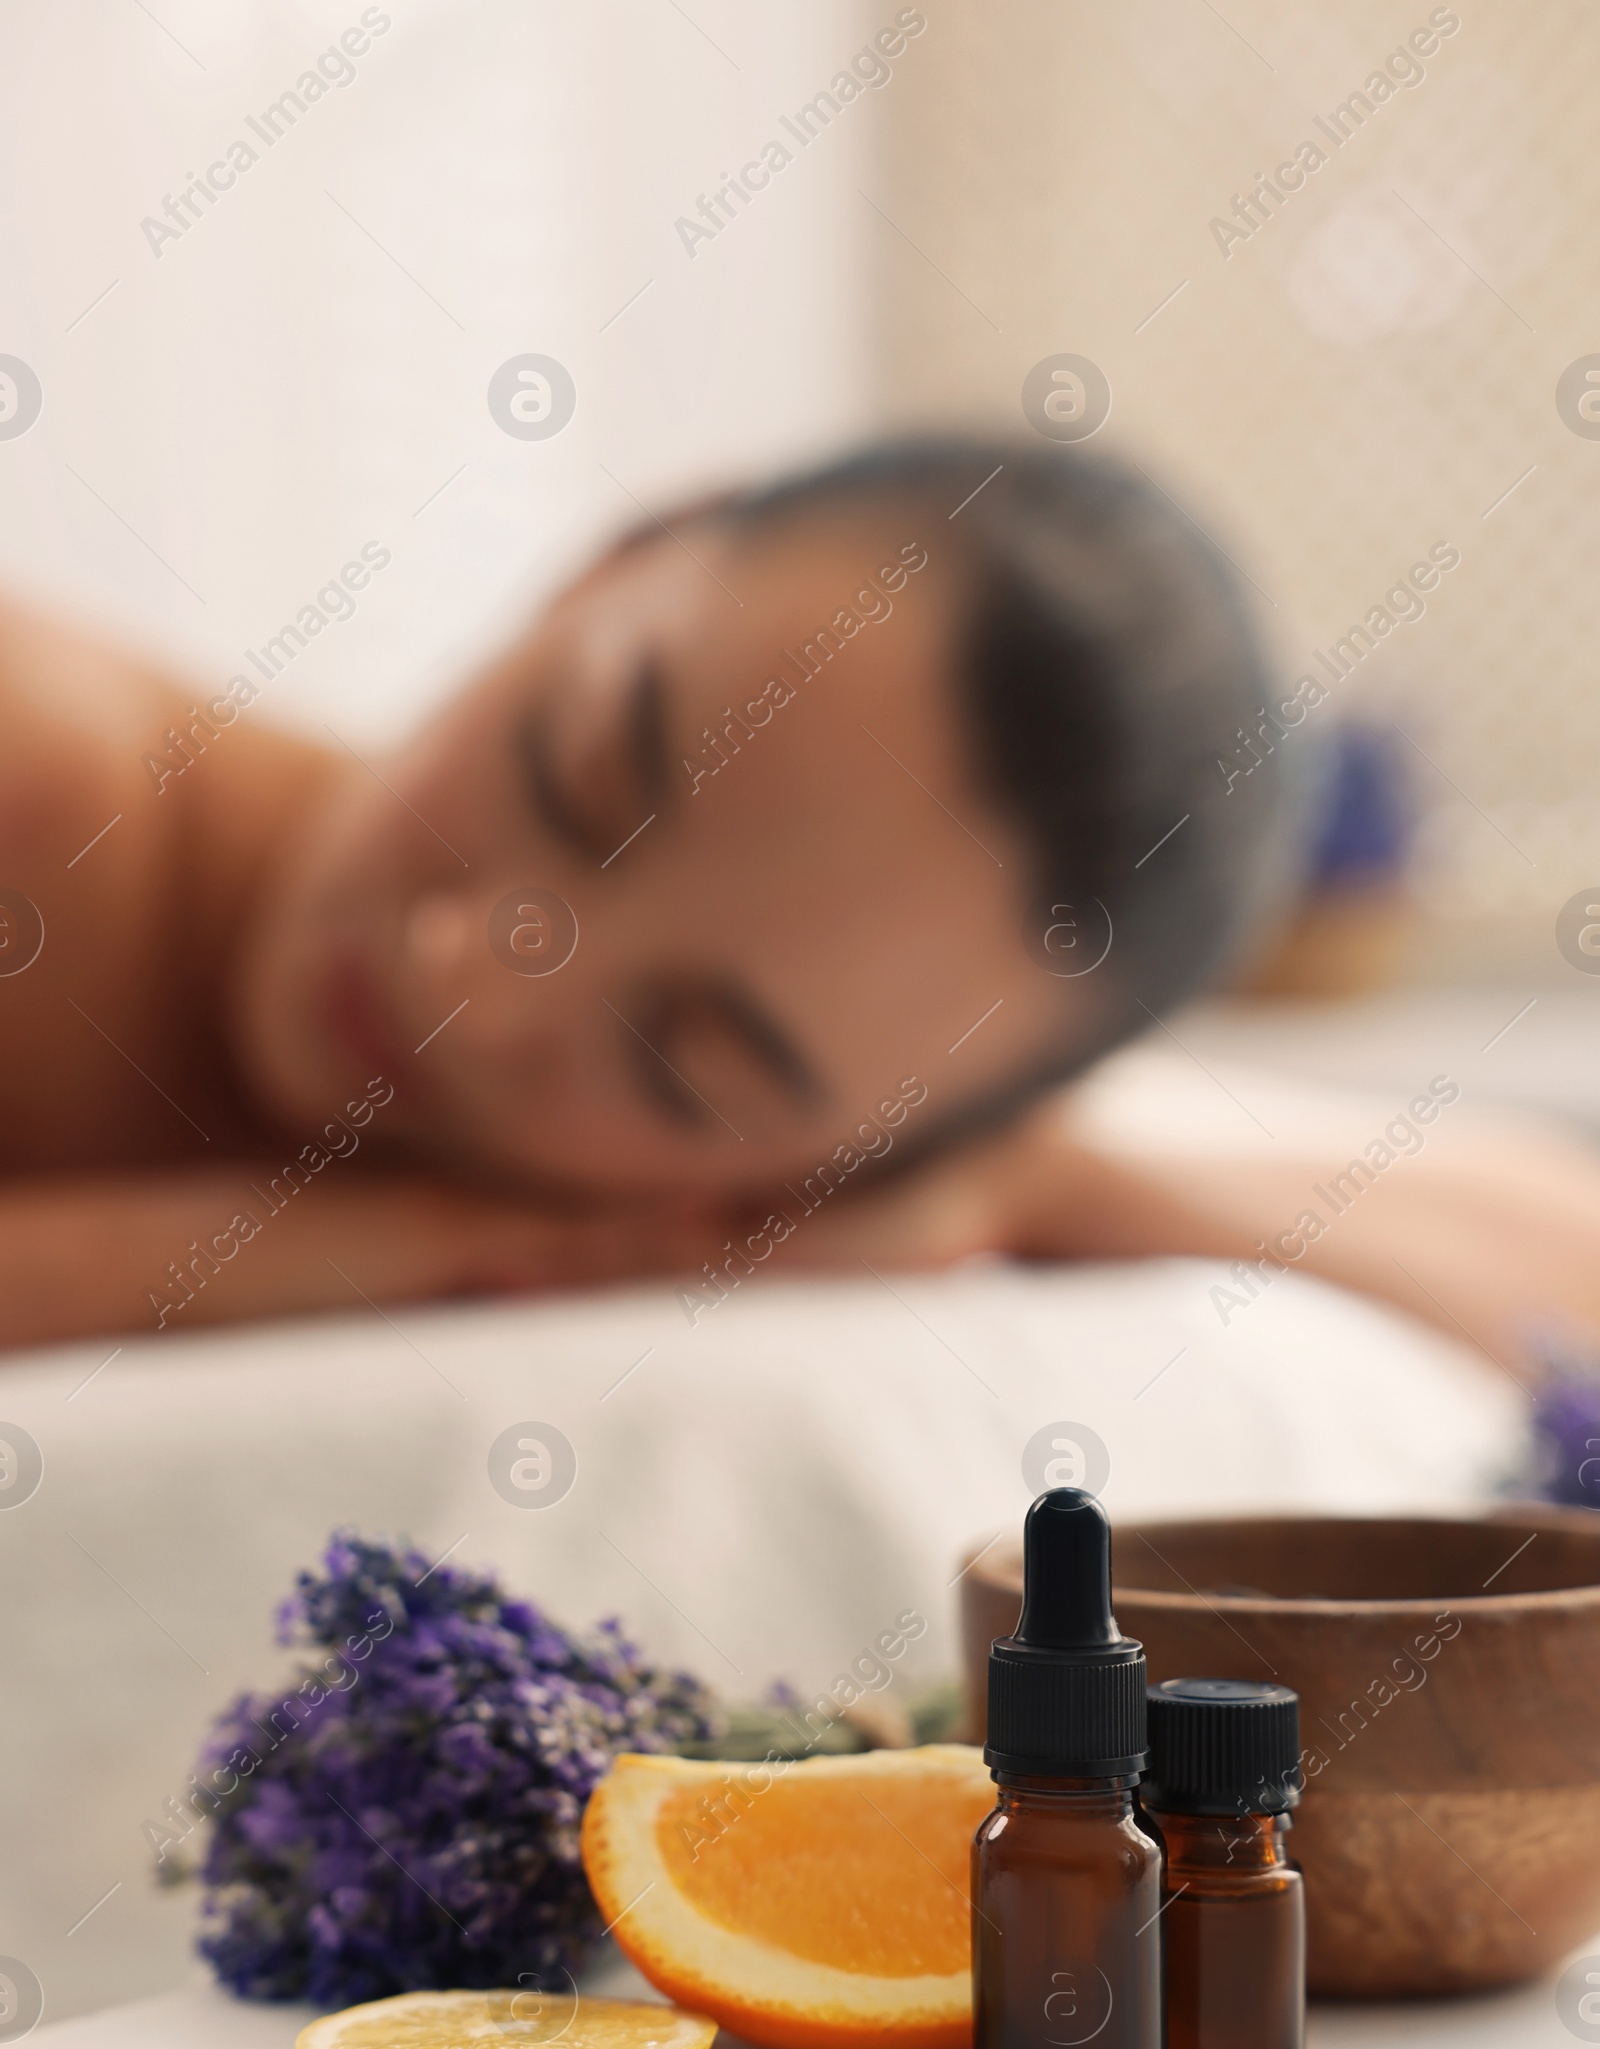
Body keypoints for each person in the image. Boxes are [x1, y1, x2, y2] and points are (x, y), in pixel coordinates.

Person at [0, 437, 1593, 1372]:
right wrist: (326, 1247)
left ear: (823, 1170)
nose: (470, 980)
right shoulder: (44, 772)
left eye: (689, 1067)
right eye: (571, 776)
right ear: (615, 560)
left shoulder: (910, 1107)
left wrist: (1044, 1178)